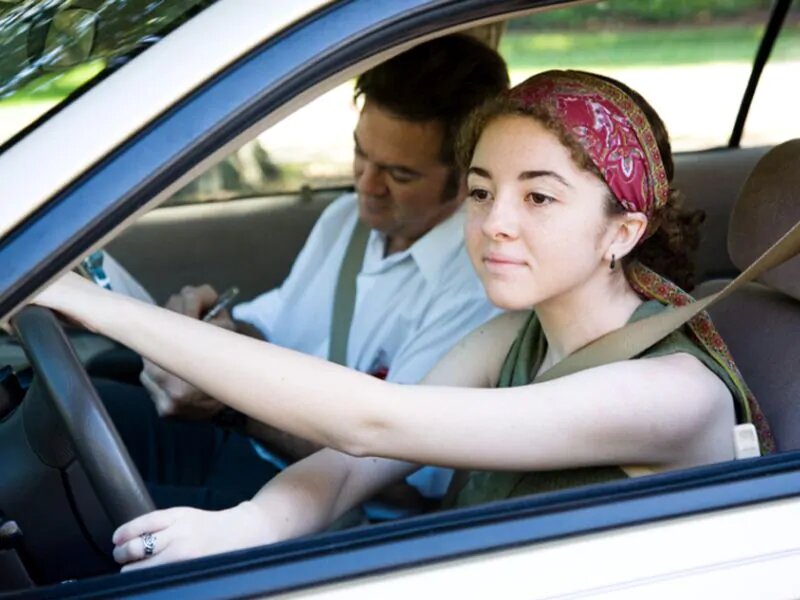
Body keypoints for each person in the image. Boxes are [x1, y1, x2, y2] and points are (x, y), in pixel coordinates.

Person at [32, 69, 774, 572]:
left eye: (538, 197)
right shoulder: (515, 336)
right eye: (480, 192)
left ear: (622, 231)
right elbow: (352, 464)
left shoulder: (669, 392)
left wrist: (91, 302)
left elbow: (372, 422)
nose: (494, 223)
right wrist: (242, 526)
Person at [92, 34, 510, 511]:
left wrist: (230, 401)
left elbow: (404, 479)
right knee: (81, 417)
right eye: (361, 154)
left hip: (333, 510)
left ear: (468, 174)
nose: (366, 185)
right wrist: (214, 328)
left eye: (400, 174)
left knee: (86, 514)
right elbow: (273, 327)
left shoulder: (475, 285)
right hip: (247, 451)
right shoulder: (343, 221)